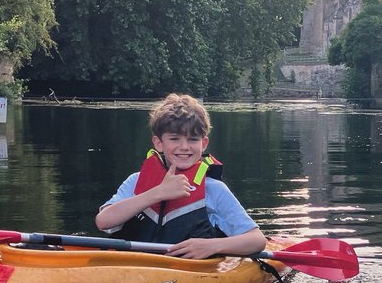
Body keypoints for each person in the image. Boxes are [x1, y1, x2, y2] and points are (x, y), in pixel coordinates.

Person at [95, 93, 268, 260]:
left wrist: (212, 246)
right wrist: (158, 193)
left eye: (193, 139)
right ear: (159, 143)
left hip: (188, 272)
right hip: (136, 268)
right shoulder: (135, 181)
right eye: (175, 139)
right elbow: (103, 221)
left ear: (204, 144)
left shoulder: (213, 188)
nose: (184, 146)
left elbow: (256, 240)